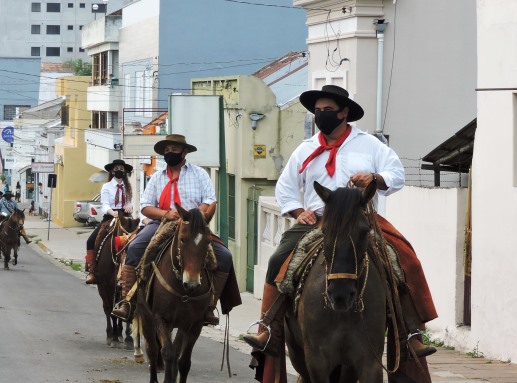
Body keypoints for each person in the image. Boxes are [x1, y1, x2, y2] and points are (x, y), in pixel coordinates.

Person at [242, 84, 437, 359]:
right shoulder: (305, 149)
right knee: (278, 260)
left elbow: (396, 174)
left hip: (361, 220)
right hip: (318, 222)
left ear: (344, 112)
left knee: (404, 259)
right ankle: (268, 329)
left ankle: (411, 333)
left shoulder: (370, 145)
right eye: (317, 111)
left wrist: (374, 178)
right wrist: (299, 212)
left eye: (328, 111)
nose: (321, 116)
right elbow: (285, 187)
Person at [110, 134, 234, 326]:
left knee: (225, 256)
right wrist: (165, 214)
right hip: (161, 224)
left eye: (174, 150)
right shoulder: (157, 177)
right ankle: (128, 301)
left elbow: (210, 200)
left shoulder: (199, 173)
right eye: (166, 150)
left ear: (184, 152)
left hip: (193, 227)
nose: (170, 153)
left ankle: (209, 305)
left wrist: (190, 217)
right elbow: (145, 205)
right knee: (134, 248)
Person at [84, 159, 134, 285]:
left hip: (126, 217)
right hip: (111, 216)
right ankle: (92, 271)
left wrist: (129, 205)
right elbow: (105, 205)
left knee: (137, 237)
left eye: (122, 169)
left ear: (125, 171)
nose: (119, 171)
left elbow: (128, 201)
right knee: (91, 240)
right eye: (116, 169)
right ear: (112, 171)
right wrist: (113, 213)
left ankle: (137, 269)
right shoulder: (106, 187)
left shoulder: (127, 186)